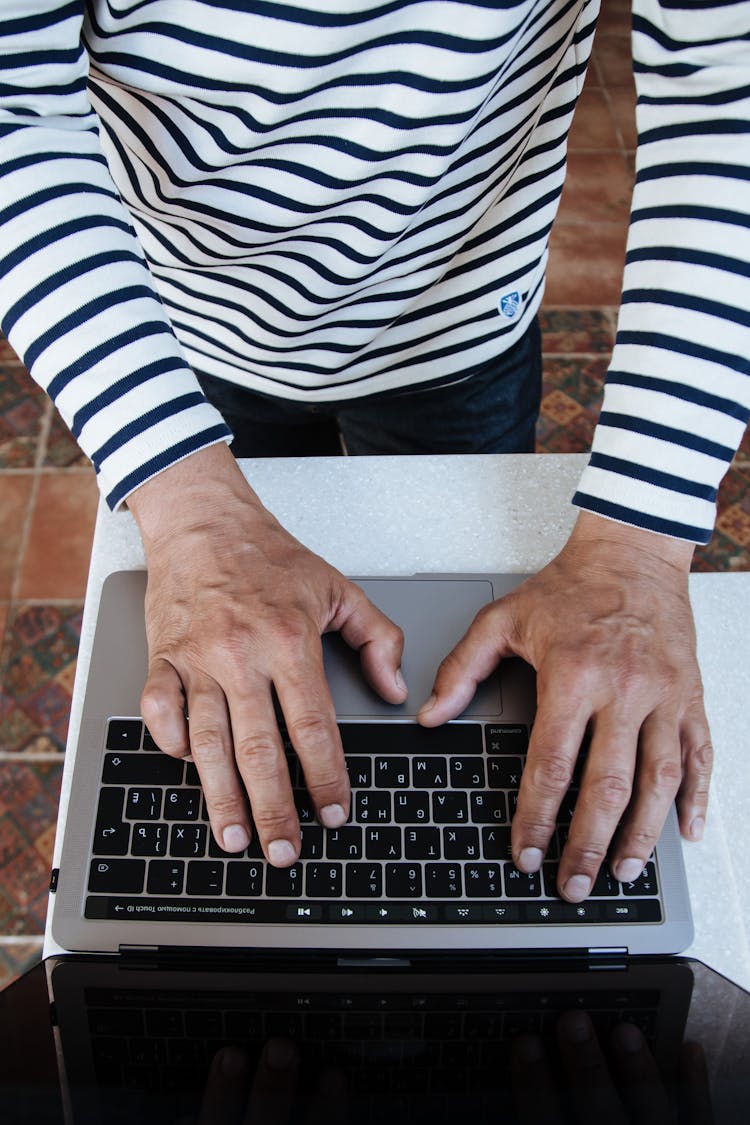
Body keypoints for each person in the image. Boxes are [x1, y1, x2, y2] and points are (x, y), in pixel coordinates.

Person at [1, 0, 747, 904]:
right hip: (182, 328)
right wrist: (190, 503)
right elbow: (15, 109)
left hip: (464, 315)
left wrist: (640, 548)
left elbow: (723, 86)